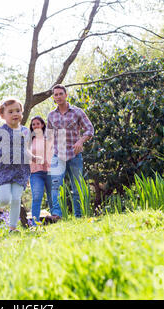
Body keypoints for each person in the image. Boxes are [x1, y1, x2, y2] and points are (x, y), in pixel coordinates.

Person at [0, 97, 35, 233]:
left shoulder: (25, 131)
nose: (15, 114)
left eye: (18, 111)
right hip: (3, 169)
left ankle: (12, 229)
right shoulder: (0, 131)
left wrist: (33, 157)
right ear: (3, 116)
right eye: (10, 112)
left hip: (20, 170)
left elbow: (25, 150)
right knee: (5, 199)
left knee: (16, 199)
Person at [47, 84, 94, 219]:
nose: (58, 96)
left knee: (77, 187)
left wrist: (80, 141)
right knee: (55, 186)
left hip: (74, 155)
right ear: (53, 98)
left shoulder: (77, 112)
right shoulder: (51, 116)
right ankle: (56, 215)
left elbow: (89, 129)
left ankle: (78, 216)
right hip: (57, 156)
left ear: (66, 95)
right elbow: (48, 137)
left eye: (61, 94)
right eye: (55, 95)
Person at [29, 116, 53, 226]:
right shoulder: (30, 140)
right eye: (33, 124)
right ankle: (35, 224)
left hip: (49, 171)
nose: (35, 126)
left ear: (42, 125)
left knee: (52, 196)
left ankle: (55, 219)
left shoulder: (48, 138)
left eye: (37, 123)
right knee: (37, 197)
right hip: (35, 172)